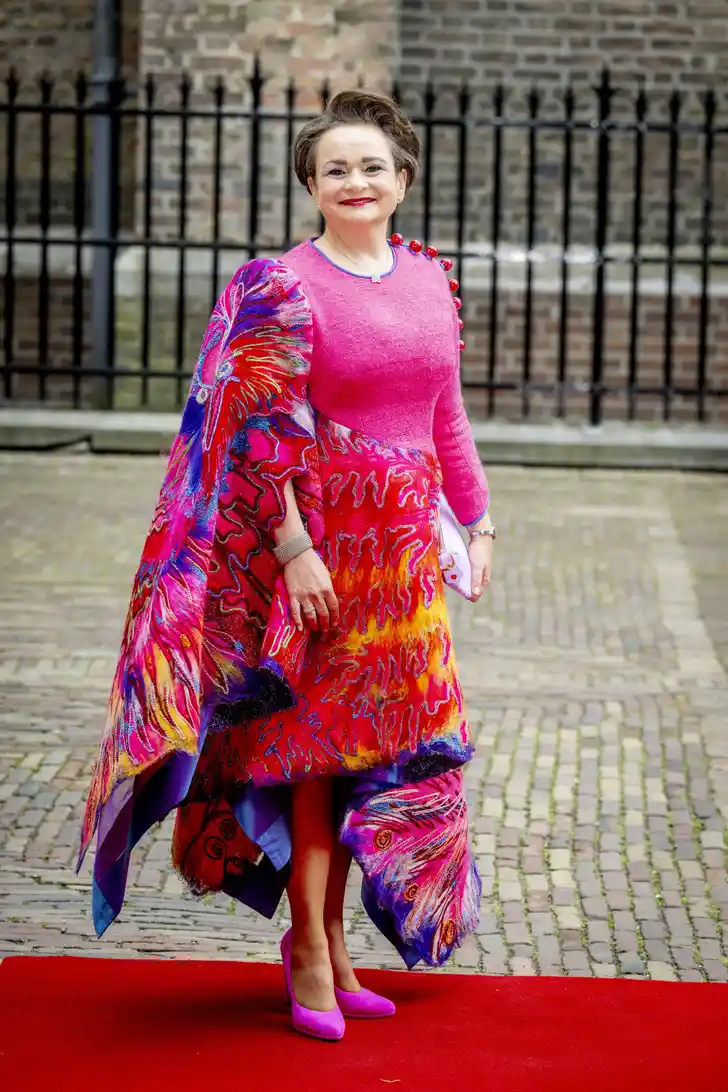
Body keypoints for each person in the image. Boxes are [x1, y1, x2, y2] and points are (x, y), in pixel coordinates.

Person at [78, 90, 495, 1042]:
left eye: (372, 166)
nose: (356, 181)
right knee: (314, 749)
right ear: (311, 184)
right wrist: (293, 548)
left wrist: (478, 524)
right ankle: (307, 945)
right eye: (335, 168)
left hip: (403, 561)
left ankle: (336, 945)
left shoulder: (431, 278)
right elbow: (258, 436)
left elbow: (447, 415)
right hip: (318, 553)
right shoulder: (280, 286)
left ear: (402, 180)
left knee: (372, 750)